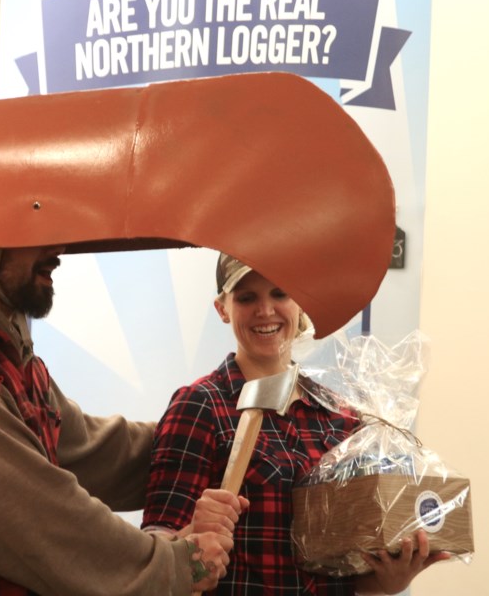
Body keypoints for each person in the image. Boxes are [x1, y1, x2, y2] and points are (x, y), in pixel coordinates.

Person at [0, 245, 247, 596]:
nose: (58, 250)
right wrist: (177, 567)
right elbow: (50, 529)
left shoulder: (2, 358)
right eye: (35, 232)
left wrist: (209, 430)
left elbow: (93, 452)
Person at [142, 253, 449, 595]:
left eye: (280, 293)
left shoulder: (341, 418)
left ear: (300, 301)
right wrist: (192, 535)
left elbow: (350, 570)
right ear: (222, 308)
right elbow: (155, 553)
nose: (265, 310)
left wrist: (391, 580)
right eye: (247, 297)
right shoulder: (201, 405)